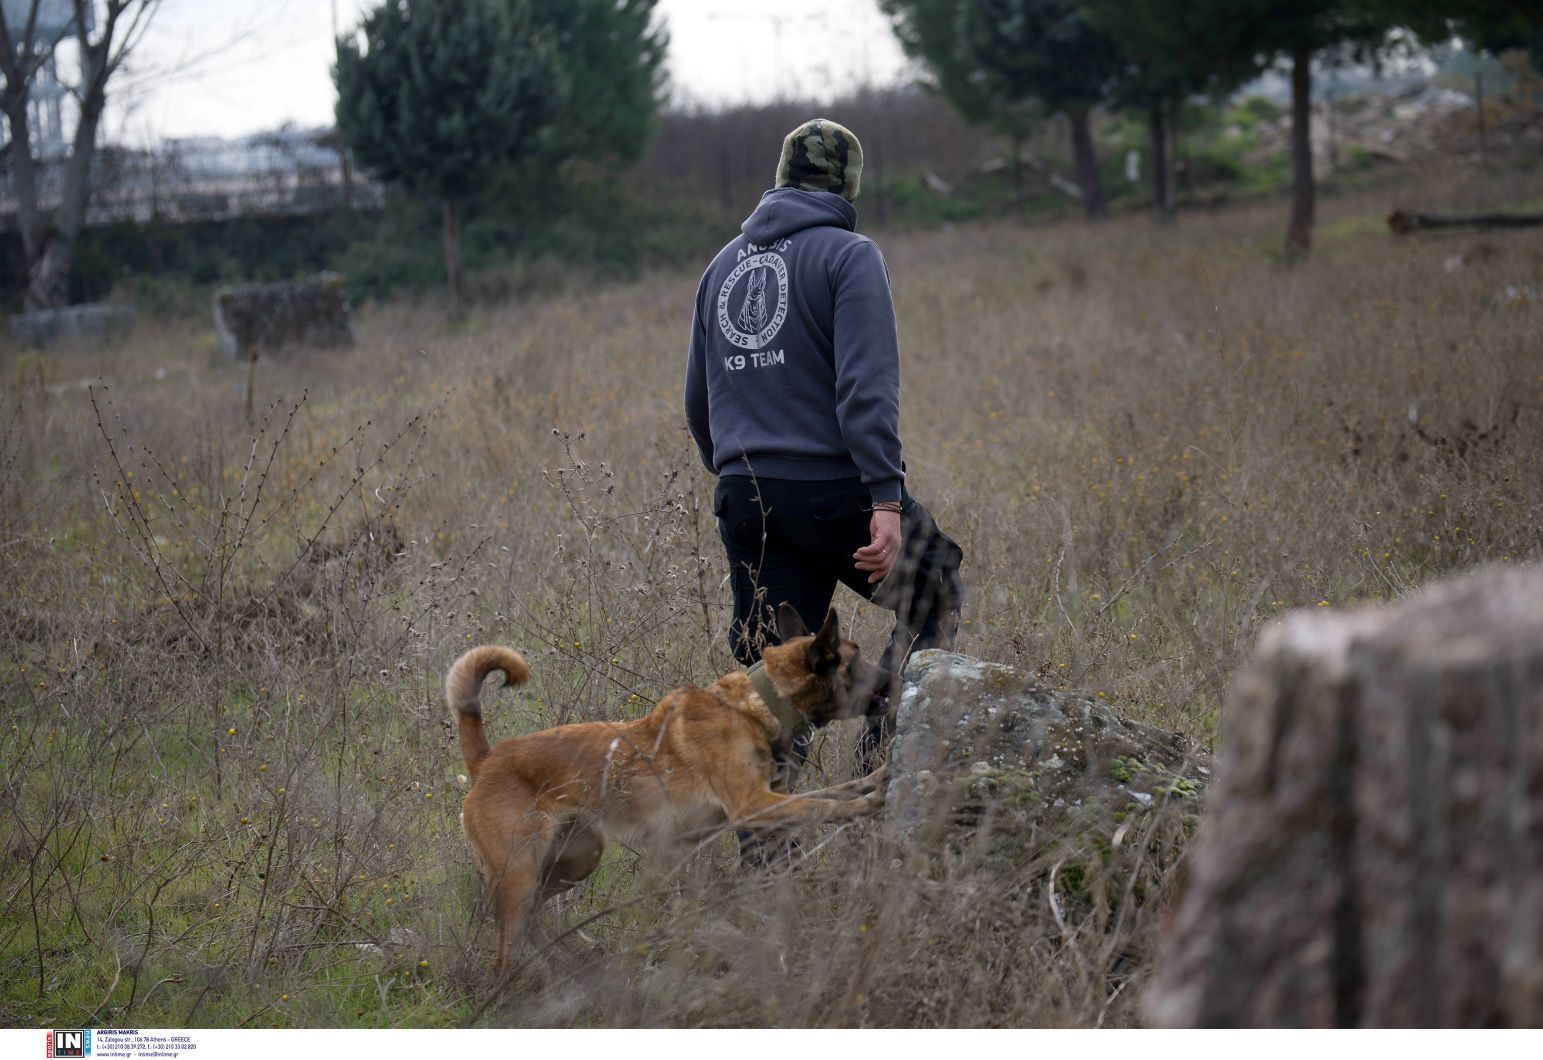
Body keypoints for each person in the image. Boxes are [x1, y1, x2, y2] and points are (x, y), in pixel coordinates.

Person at [684, 118, 965, 784]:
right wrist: (885, 498)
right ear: (847, 185)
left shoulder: (720, 267)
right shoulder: (848, 254)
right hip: (830, 489)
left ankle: (766, 864)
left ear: (779, 178)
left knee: (775, 679)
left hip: (744, 493)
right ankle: (883, 769)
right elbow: (865, 389)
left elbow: (699, 402)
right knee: (936, 587)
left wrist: (741, 477)